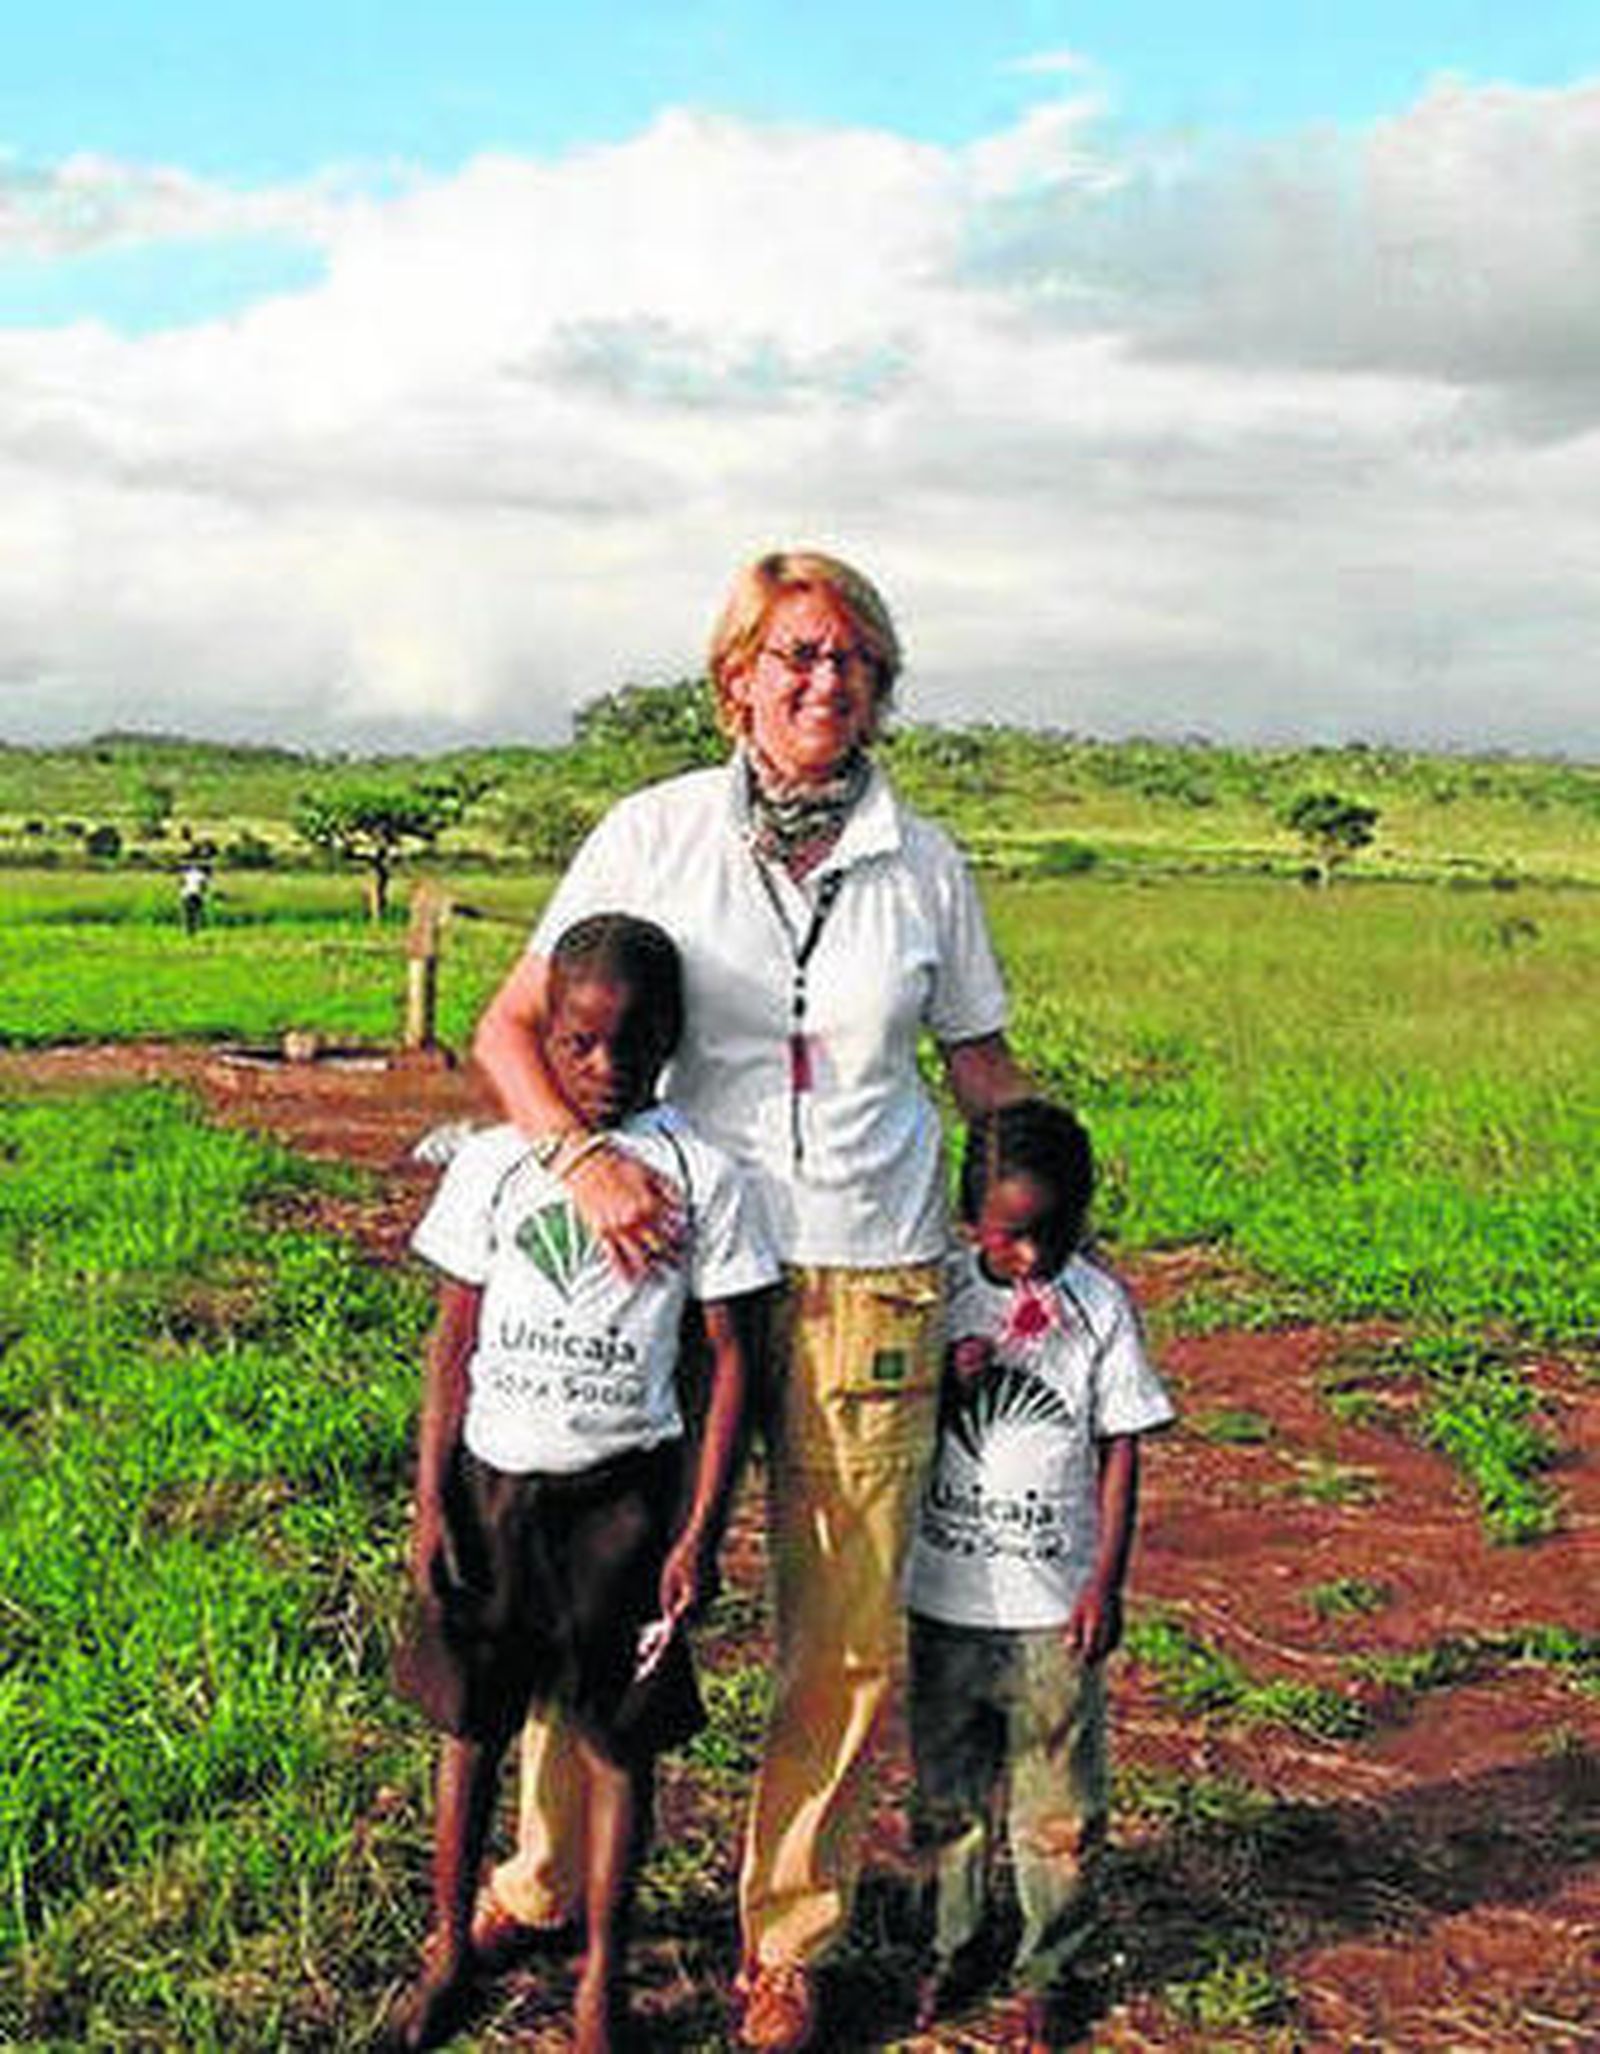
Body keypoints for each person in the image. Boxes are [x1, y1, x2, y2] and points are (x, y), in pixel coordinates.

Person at [471, 550, 1031, 2051]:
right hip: (668, 1273)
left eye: (852, 659)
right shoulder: (649, 835)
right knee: (608, 1586)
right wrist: (579, 1156)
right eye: (792, 654)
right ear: (735, 677)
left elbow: (974, 1063)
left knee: (840, 1622)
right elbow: (510, 1027)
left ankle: (790, 1932)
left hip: (874, 1268)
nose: (822, 680)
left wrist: (1034, 1206)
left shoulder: (928, 863)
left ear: (882, 689)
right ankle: (541, 1876)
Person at [388, 913, 778, 2054]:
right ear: (545, 1040)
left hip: (621, 1503)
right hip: (491, 1493)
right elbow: (451, 1344)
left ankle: (602, 1981)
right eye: (579, 1043)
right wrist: (430, 1502)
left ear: (671, 1039)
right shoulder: (499, 1161)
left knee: (618, 1746)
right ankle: (449, 1946)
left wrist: (698, 1532)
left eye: (633, 1042)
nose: (605, 1068)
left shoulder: (705, 1175)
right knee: (470, 1733)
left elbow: (730, 1365)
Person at [903, 1101, 1174, 2049]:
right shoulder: (937, 1291)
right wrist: (947, 1384)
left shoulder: (1098, 1307)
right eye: (1012, 1235)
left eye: (1054, 1232)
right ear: (970, 1217)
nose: (1032, 1257)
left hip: (1054, 1608)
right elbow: (892, 1424)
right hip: (942, 1598)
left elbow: (1122, 1447)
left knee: (1056, 1807)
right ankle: (953, 1946)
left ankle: (1051, 1965)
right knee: (946, 1795)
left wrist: (1106, 1579)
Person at [177, 860, 209, 935]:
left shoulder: (184, 874)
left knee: (186, 914)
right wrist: (204, 896)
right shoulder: (201, 875)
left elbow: (180, 884)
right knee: (195, 914)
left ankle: (186, 931)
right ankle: (194, 931)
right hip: (196, 895)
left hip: (185, 895)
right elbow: (203, 887)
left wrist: (181, 892)